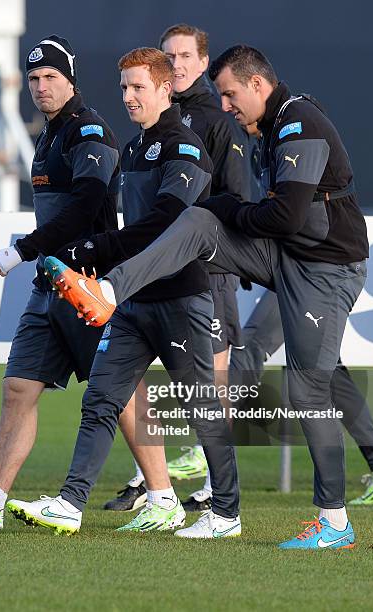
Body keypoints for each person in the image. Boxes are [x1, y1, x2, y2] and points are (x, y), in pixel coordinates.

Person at [48, 45, 369, 548]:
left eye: (229, 94)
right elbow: (268, 218)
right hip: (286, 255)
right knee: (199, 221)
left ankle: (334, 522)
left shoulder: (297, 122)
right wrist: (224, 213)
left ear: (258, 85)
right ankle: (112, 289)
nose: (224, 106)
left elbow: (282, 216)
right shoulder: (263, 127)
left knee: (309, 389)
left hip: (324, 270)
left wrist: (231, 211)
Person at [7, 47, 242, 538]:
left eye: (138, 87)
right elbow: (132, 225)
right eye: (123, 88)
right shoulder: (135, 148)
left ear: (165, 88)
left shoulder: (185, 146)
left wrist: (94, 248)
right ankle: (71, 504)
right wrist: (101, 257)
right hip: (134, 302)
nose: (128, 96)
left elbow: (164, 223)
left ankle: (226, 514)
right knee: (100, 398)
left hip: (181, 298)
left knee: (201, 407)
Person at [0, 35, 120, 529]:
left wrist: (19, 251)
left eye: (50, 77)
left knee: (119, 393)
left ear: (70, 80)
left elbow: (88, 206)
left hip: (87, 283)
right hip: (48, 284)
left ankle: (161, 496)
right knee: (18, 388)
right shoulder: (49, 134)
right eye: (33, 78)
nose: (40, 86)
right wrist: (33, 257)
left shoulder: (88, 129)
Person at [103, 23, 251, 514]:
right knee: (133, 375)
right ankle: (154, 481)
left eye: (186, 55)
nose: (180, 63)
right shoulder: (153, 122)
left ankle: (215, 485)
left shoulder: (217, 116)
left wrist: (216, 252)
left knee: (212, 377)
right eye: (171, 55)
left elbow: (234, 196)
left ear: (202, 63)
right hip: (153, 273)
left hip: (208, 270)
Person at [229, 289, 373, 506]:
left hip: (302, 274)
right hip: (320, 276)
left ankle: (205, 449)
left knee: (250, 347)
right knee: (329, 370)